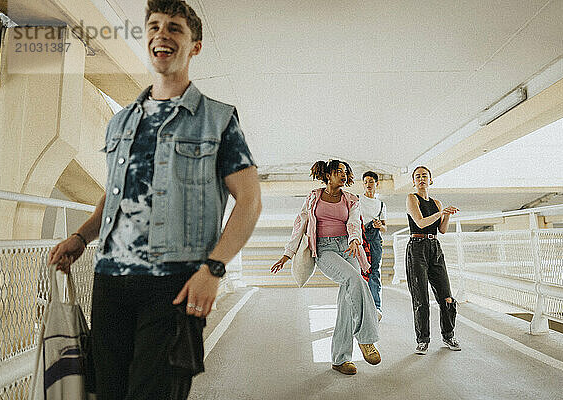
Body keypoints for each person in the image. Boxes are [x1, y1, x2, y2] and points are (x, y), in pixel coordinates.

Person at [47, 1, 261, 398]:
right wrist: (80, 237)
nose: (162, 34)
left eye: (175, 28)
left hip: (174, 285)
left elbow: (249, 201)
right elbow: (113, 194)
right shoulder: (121, 120)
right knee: (107, 392)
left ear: (194, 46)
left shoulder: (217, 119)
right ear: (146, 38)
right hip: (110, 281)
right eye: (155, 27)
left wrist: (213, 269)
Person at [271, 160, 381, 375]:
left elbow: (354, 222)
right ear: (328, 174)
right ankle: (366, 338)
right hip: (325, 249)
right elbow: (301, 222)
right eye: (338, 171)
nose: (343, 174)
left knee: (347, 303)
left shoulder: (351, 198)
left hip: (348, 247)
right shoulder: (314, 196)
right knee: (354, 280)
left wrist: (354, 239)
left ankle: (340, 359)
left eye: (345, 172)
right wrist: (287, 253)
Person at [405, 166, 460, 355]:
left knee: (447, 296)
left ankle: (448, 334)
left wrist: (446, 215)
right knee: (421, 297)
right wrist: (440, 213)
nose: (421, 179)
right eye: (417, 176)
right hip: (417, 247)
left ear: (431, 180)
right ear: (413, 181)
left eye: (424, 176)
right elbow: (420, 223)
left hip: (434, 247)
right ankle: (423, 340)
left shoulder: (437, 203)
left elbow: (442, 230)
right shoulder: (412, 198)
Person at [360, 171, 387, 318]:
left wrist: (379, 226)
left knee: (374, 273)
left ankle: (376, 308)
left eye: (371, 181)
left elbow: (385, 227)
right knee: (359, 272)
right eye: (365, 182)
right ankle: (361, 307)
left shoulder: (381, 205)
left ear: (377, 184)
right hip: (361, 239)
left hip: (375, 240)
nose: (368, 185)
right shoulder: (357, 201)